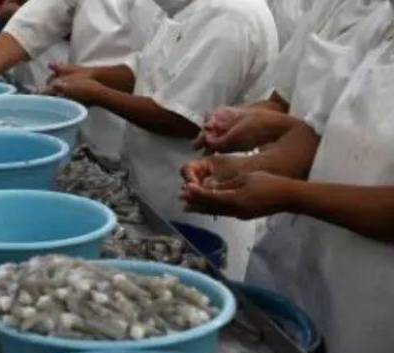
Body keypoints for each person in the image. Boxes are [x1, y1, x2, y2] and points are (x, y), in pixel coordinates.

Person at [180, 2, 394, 353]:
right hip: (314, 264)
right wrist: (242, 169)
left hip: (376, 304)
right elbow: (317, 129)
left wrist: (289, 194)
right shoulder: (383, 19)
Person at [46, 0, 277, 278]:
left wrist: (97, 94)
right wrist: (92, 75)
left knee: (191, 284)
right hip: (154, 189)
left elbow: (183, 120)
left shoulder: (231, 17)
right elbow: (147, 69)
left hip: (198, 198)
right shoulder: (182, 8)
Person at [0, 0, 161, 160]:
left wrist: (96, 81)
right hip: (88, 125)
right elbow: (36, 20)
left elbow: (153, 69)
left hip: (144, 135)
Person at [196, 0, 384, 155]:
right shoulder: (331, 5)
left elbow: (358, 154)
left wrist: (274, 126)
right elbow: (281, 101)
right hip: (280, 163)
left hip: (310, 174)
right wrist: (237, 117)